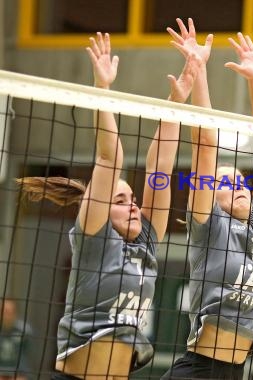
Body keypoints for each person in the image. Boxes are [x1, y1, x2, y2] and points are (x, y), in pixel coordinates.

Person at [16, 26, 201, 378]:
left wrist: (178, 103)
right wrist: (103, 91)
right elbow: (109, 160)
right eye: (120, 199)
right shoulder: (95, 238)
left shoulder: (146, 240)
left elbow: (160, 166)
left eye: (133, 199)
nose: (133, 205)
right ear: (100, 206)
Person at [161, 19, 253, 380]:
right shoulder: (208, 224)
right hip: (198, 370)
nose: (241, 186)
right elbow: (204, 144)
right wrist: (198, 70)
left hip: (237, 371)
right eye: (227, 184)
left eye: (243, 181)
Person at [0, 298, 32, 380]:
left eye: (11, 312)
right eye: (5, 311)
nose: (7, 315)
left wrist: (21, 374)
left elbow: (26, 356)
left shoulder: (24, 331)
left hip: (17, 372)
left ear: (15, 313)